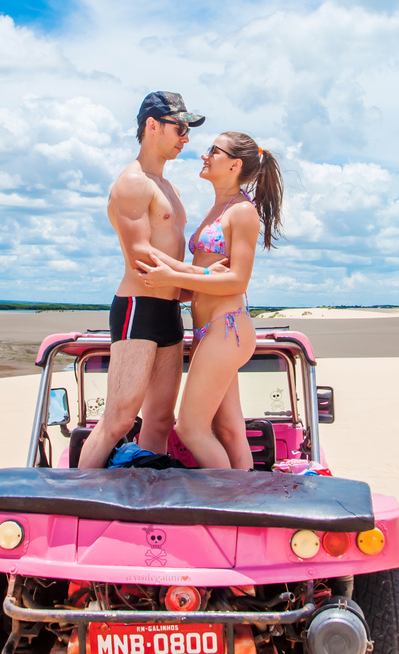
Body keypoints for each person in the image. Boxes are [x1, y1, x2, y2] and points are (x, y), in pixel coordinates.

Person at [135, 132, 283, 469]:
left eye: (213, 150)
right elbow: (202, 276)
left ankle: (226, 501)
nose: (204, 155)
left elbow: (237, 280)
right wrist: (160, 263)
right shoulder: (219, 207)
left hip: (227, 328)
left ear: (235, 163)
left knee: (190, 427)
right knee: (228, 430)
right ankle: (246, 502)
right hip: (207, 331)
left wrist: (172, 276)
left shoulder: (243, 212)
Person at [77, 92, 206, 469]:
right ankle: (81, 499)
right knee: (118, 419)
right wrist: (207, 279)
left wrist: (199, 288)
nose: (186, 138)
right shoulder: (132, 183)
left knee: (161, 421)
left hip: (169, 310)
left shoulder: (171, 188)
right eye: (180, 128)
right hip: (138, 308)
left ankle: (151, 502)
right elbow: (140, 258)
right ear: (152, 125)